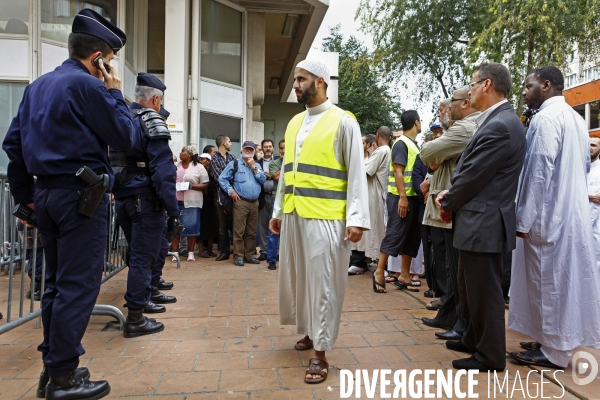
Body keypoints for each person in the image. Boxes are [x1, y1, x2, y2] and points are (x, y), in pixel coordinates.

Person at [2, 8, 133, 398]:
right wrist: (115, 93)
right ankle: (62, 377)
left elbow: (13, 147)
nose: (109, 68)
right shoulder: (91, 88)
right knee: (78, 286)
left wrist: (26, 201)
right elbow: (125, 137)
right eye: (108, 60)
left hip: (46, 196)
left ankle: (52, 368)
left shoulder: (37, 86)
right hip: (82, 199)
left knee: (57, 287)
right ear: (97, 58)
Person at [270, 59, 369, 384]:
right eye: (296, 79)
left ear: (320, 82)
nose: (295, 85)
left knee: (324, 284)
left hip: (328, 219)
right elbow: (287, 172)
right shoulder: (295, 122)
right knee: (300, 280)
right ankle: (311, 333)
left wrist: (356, 219)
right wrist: (278, 212)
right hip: (295, 215)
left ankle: (320, 354)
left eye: (301, 79)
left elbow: (356, 172)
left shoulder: (343, 121)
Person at [435, 62, 526, 372]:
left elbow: (473, 175)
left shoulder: (501, 124)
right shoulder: (497, 121)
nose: (469, 89)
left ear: (487, 85)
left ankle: (489, 355)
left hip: (484, 220)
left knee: (484, 292)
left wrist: (448, 200)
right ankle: (474, 339)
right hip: (478, 218)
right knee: (470, 285)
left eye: (472, 84)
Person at [509, 66, 600, 369]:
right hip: (570, 211)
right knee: (557, 281)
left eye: (528, 85)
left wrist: (522, 220)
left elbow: (538, 172)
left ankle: (554, 352)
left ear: (546, 85)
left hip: (550, 215)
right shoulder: (575, 118)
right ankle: (547, 339)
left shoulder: (547, 118)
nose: (523, 91)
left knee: (549, 282)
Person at [110, 72, 178, 335]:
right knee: (142, 257)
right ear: (155, 99)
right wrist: (173, 210)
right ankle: (136, 316)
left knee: (139, 255)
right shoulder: (152, 120)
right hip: (145, 201)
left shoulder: (123, 117)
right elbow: (163, 173)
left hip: (124, 199)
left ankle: (146, 295)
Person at [419, 85, 480, 338]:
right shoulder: (464, 127)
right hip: (448, 204)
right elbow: (432, 160)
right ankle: (450, 316)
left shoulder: (465, 127)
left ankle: (457, 320)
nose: (448, 108)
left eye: (450, 103)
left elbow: (428, 152)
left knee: (456, 268)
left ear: (464, 103)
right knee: (450, 265)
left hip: (452, 205)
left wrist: (438, 155)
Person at [372, 110, 422, 293]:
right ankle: (379, 272)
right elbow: (398, 171)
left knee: (411, 237)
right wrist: (402, 198)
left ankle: (405, 275)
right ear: (416, 123)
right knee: (394, 233)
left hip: (413, 197)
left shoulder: (413, 144)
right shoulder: (402, 144)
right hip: (401, 197)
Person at [349, 127, 391, 275]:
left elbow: (365, 170)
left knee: (376, 231)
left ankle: (381, 266)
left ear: (377, 136)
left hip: (375, 195)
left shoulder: (381, 151)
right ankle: (361, 262)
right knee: (371, 231)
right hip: (372, 194)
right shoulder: (386, 150)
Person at [218, 141, 266, 266]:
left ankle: (249, 255)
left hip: (254, 202)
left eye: (251, 150)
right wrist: (231, 191)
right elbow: (222, 178)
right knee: (239, 231)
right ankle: (238, 256)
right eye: (246, 149)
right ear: (242, 150)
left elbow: (263, 179)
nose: (248, 151)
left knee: (251, 231)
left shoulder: (257, 165)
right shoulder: (235, 164)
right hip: (241, 202)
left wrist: (254, 167)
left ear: (254, 152)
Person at [171, 146, 209, 261]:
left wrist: (191, 186)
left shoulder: (199, 167)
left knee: (191, 226)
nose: (180, 153)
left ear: (189, 154)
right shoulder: (176, 167)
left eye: (182, 151)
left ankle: (191, 252)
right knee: (174, 227)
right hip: (176, 200)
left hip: (192, 201)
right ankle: (175, 252)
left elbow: (205, 184)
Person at [211, 135, 236, 261]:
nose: (231, 144)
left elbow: (236, 176)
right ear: (223, 143)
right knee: (223, 226)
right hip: (221, 197)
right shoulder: (214, 159)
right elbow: (219, 178)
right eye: (230, 141)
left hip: (235, 196)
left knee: (236, 225)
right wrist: (230, 189)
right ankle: (224, 251)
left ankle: (237, 251)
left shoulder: (233, 158)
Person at [257, 139, 278, 261]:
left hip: (276, 196)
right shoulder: (257, 163)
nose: (268, 149)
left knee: (276, 224)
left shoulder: (278, 161)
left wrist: (272, 175)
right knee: (263, 224)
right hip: (263, 196)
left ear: (273, 148)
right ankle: (264, 251)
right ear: (262, 149)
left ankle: (276, 251)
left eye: (270, 146)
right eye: (265, 147)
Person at [266, 140, 285, 270]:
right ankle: (271, 260)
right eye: (281, 148)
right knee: (274, 230)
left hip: (290, 200)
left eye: (286, 148)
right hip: (276, 199)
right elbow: (277, 177)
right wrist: (286, 163)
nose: (283, 151)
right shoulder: (274, 163)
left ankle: (284, 259)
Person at [198, 150, 219, 257]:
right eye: (200, 159)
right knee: (201, 226)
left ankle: (210, 250)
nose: (201, 161)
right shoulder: (198, 171)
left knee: (212, 226)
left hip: (211, 202)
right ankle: (201, 250)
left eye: (203, 159)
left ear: (209, 161)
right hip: (200, 202)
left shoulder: (212, 172)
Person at [589, 136, 600, 269]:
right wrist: (588, 195)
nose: (589, 147)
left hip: (595, 226)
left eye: (593, 145)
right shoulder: (576, 169)